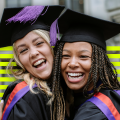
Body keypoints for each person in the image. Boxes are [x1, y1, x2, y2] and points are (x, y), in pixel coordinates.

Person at [51, 9, 120, 120]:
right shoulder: (112, 94)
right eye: (66, 56)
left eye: (83, 56)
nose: (72, 63)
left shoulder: (94, 112)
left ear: (100, 63)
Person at [0, 5, 65, 120]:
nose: (33, 53)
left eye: (39, 43)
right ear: (20, 61)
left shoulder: (65, 89)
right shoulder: (25, 98)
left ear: (53, 46)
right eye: (23, 50)